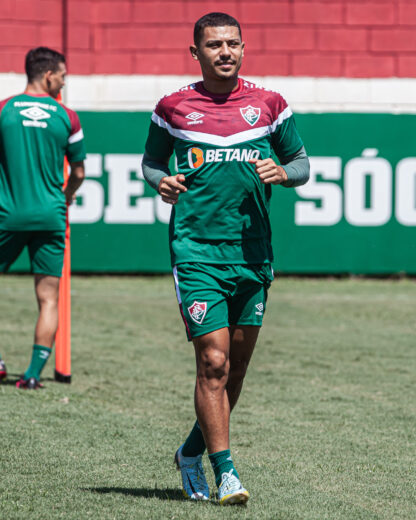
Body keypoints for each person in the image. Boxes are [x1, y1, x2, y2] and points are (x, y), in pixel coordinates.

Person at [142, 12, 309, 505]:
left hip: (253, 254)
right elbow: (152, 162)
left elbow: (301, 163)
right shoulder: (172, 107)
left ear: (243, 47)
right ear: (195, 52)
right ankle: (227, 473)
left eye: (233, 43)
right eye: (214, 45)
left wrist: (283, 171)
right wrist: (160, 181)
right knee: (212, 362)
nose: (225, 52)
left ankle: (190, 453)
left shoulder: (270, 104)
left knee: (234, 369)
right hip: (196, 252)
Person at [0, 47, 86, 389]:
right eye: (63, 75)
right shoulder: (68, 117)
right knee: (48, 298)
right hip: (51, 214)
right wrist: (66, 197)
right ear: (49, 75)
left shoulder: (4, 110)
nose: (64, 81)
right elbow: (78, 172)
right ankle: (33, 375)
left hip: (6, 214)